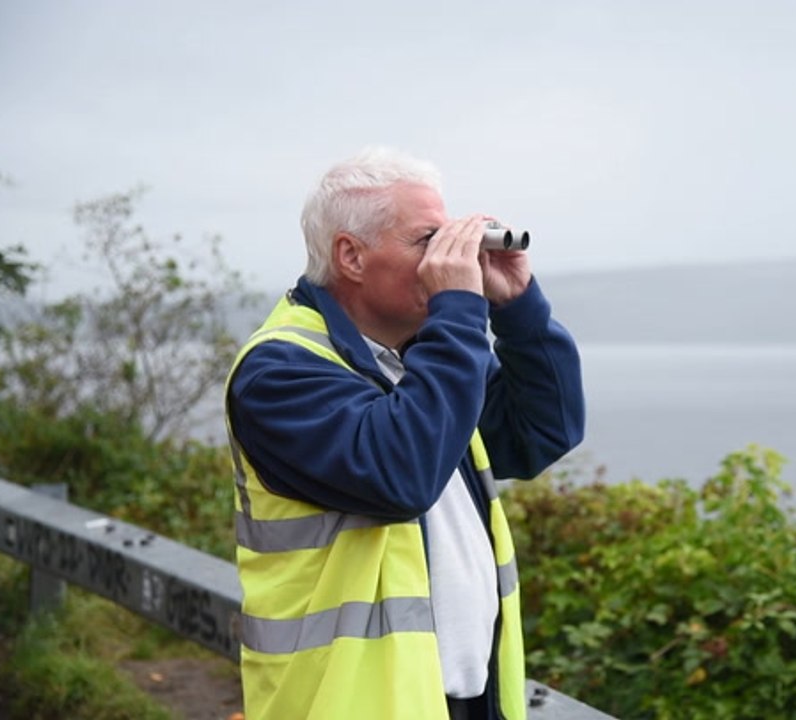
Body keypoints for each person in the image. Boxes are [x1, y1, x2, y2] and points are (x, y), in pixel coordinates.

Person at [224, 146, 585, 720]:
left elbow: (542, 431)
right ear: (352, 256)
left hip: (464, 699)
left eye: (452, 239)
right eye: (427, 241)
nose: (448, 257)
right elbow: (400, 476)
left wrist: (517, 309)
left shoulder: (416, 361)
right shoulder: (280, 373)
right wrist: (459, 308)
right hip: (348, 703)